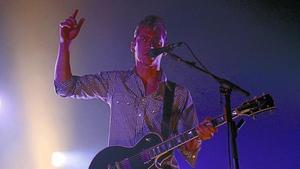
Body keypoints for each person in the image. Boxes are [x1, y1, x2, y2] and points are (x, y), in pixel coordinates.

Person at [54, 9, 216, 169]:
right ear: (133, 45)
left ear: (164, 48)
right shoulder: (115, 82)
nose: (150, 44)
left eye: (156, 41)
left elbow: (188, 151)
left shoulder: (179, 94)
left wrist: (199, 136)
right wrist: (64, 44)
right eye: (144, 39)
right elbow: (65, 88)